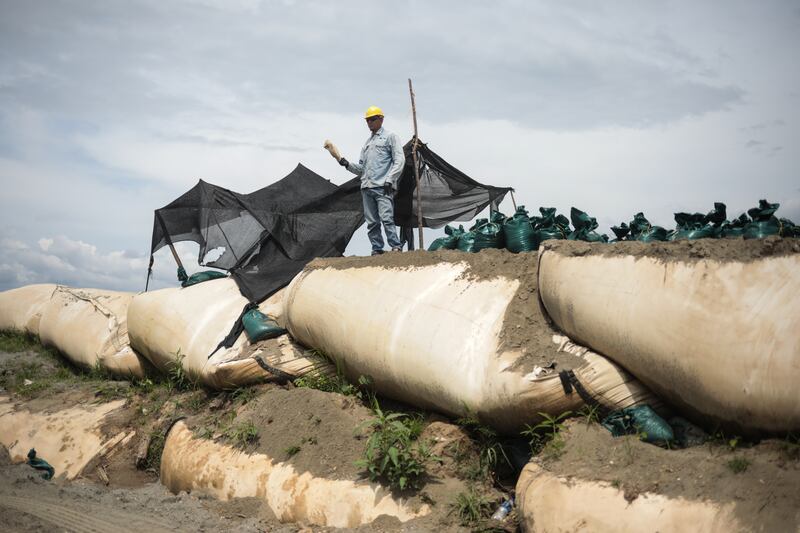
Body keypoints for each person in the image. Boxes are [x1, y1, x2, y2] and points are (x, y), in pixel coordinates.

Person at [338, 106, 405, 255]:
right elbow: (361, 168)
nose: (370, 122)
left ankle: (395, 246)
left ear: (381, 119)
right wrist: (347, 164)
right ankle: (377, 248)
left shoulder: (390, 137)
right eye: (368, 120)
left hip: (383, 186)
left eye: (373, 119)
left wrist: (390, 179)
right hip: (367, 187)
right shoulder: (367, 143)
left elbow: (399, 160)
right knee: (372, 222)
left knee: (386, 217)